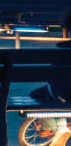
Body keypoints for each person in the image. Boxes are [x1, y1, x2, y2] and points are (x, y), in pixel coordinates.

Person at [28, 10, 71, 145]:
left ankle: (58, 127)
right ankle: (62, 127)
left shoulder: (62, 51)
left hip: (65, 94)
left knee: (37, 95)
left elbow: (53, 76)